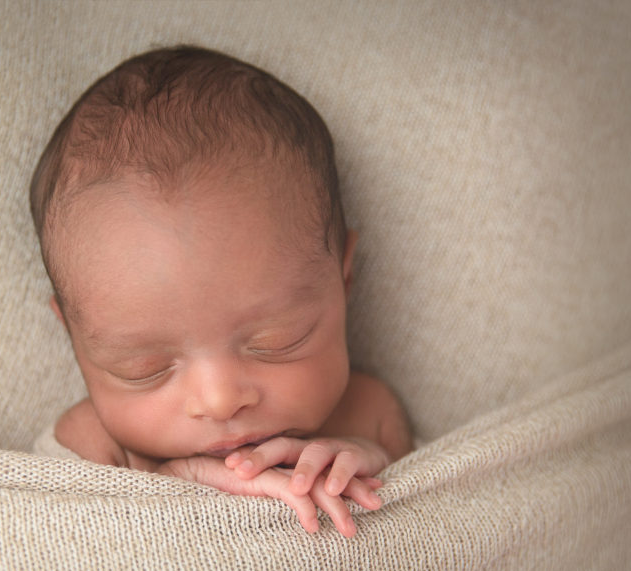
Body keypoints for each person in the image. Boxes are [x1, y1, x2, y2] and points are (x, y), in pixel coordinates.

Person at [30, 46, 411, 537]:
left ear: (344, 279)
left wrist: (369, 465)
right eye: (142, 368)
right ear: (74, 337)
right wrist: (173, 483)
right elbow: (55, 550)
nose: (219, 400)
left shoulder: (367, 412)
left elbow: (433, 516)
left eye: (276, 340)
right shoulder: (92, 447)